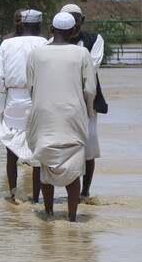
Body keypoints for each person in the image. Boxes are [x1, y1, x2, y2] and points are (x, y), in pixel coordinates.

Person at [25, 12, 96, 222]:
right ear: (74, 31)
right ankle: (72, 218)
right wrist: (86, 110)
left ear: (51, 29)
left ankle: (48, 213)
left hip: (43, 114)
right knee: (74, 168)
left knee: (46, 164)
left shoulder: (35, 54)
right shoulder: (82, 53)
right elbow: (90, 89)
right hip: (71, 115)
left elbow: (31, 86)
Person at [0, 9, 45, 203]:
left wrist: (0, 107)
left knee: (10, 151)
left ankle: (13, 193)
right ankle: (36, 198)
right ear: (38, 26)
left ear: (22, 24)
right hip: (37, 99)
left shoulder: (6, 44)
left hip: (12, 100)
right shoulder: (45, 44)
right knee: (38, 154)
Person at [61, 3, 108, 199]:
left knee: (88, 148)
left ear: (82, 22)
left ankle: (84, 193)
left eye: (76, 21)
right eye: (69, 21)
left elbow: (92, 65)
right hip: (61, 103)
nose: (73, 26)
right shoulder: (50, 43)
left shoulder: (94, 39)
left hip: (88, 103)